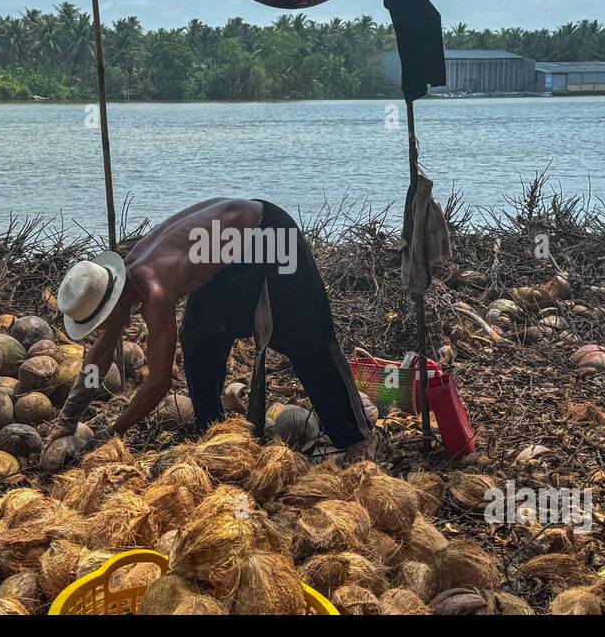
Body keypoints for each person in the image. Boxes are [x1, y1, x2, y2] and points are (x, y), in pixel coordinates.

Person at [43, 197, 373, 466]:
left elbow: (158, 383)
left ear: (113, 302)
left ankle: (357, 437)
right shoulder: (121, 283)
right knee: (199, 338)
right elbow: (100, 355)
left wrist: (112, 436)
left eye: (102, 320)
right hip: (222, 252)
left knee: (308, 336)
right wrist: (68, 418)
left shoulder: (155, 290)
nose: (103, 328)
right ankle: (212, 431)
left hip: (268, 235)